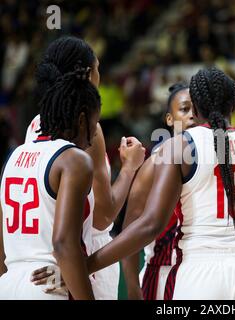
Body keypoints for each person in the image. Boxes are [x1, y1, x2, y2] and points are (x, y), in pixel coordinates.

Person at [81, 67, 235, 299]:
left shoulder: (179, 147)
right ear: (234, 105)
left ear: (194, 107)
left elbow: (150, 225)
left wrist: (86, 266)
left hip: (201, 274)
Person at [25, 36, 145, 299]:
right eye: (99, 68)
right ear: (90, 75)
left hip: (35, 259)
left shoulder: (34, 126)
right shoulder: (86, 124)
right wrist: (129, 168)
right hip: (83, 257)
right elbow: (103, 217)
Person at [0, 67, 99, 300]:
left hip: (7, 283)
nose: (94, 136)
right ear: (83, 120)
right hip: (47, 285)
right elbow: (63, 244)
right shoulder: (75, 159)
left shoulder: (13, 156)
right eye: (95, 124)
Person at [122, 83, 196, 300]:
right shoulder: (156, 163)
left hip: (201, 272)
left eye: (197, 109)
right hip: (162, 274)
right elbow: (129, 231)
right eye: (184, 109)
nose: (192, 115)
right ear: (169, 119)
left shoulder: (211, 159)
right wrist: (133, 289)